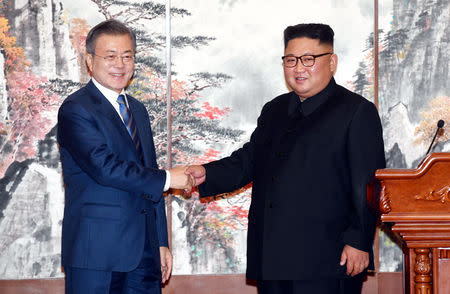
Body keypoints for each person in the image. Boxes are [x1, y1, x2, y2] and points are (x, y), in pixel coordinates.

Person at [186, 23, 386, 294]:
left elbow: (368, 184)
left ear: (332, 61)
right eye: (290, 60)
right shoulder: (275, 109)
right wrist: (206, 173)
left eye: (309, 59)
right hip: (273, 258)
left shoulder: (356, 112)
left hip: (327, 261)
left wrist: (360, 241)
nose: (298, 68)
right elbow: (248, 161)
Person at [57, 19, 192, 294]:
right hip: (96, 254)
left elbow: (148, 175)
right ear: (90, 61)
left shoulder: (138, 111)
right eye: (110, 56)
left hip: (144, 253)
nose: (120, 63)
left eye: (127, 56)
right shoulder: (75, 109)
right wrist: (169, 178)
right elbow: (105, 167)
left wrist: (161, 242)